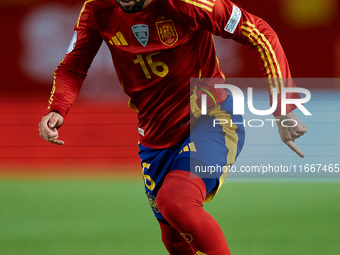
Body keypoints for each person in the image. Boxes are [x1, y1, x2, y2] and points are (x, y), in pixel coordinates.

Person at [38, 0, 308, 254]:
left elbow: (258, 30)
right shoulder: (97, 9)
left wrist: (283, 108)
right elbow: (72, 67)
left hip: (211, 118)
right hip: (155, 136)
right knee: (174, 239)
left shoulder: (185, 4)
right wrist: (57, 107)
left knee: (176, 202)